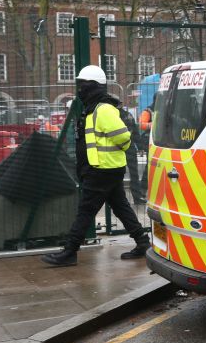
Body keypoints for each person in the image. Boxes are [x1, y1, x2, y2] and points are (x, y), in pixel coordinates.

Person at [42, 65, 151, 266]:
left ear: (93, 86)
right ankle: (143, 242)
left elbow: (124, 137)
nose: (80, 89)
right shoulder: (93, 109)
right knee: (120, 206)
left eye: (83, 84)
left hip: (102, 170)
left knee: (85, 211)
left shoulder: (104, 110)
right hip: (102, 169)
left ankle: (70, 251)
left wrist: (114, 152)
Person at [117, 102, 145, 205]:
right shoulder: (128, 115)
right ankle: (137, 198)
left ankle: (119, 200)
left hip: (117, 149)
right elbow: (136, 131)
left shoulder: (112, 116)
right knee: (134, 175)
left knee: (118, 175)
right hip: (130, 147)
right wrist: (140, 147)